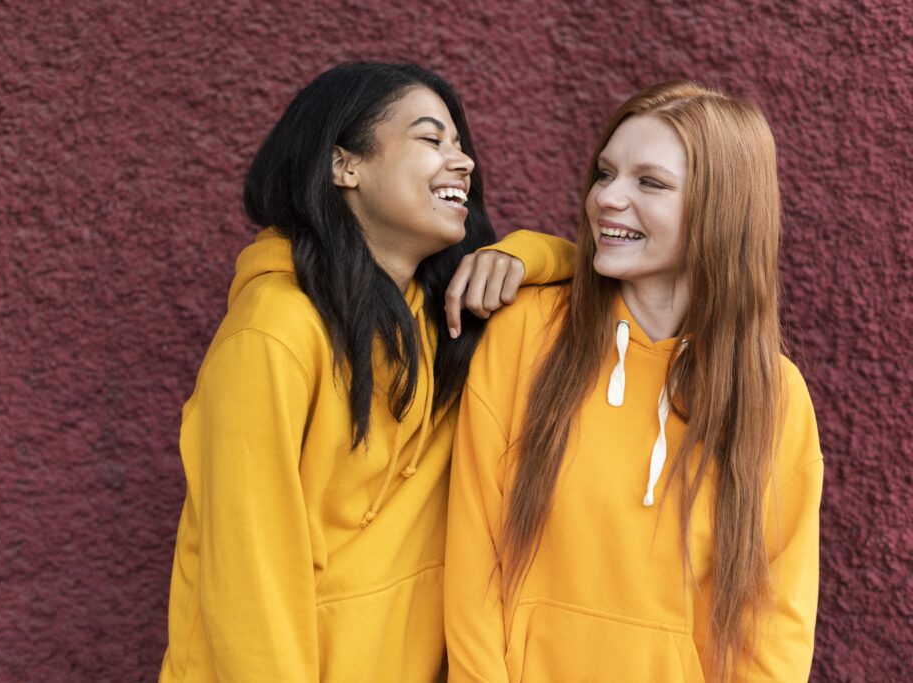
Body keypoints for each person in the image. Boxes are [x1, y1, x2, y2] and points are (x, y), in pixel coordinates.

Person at [158, 62, 576, 682]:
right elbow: (250, 575)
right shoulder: (273, 331)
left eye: (462, 148)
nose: (462, 163)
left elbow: (600, 281)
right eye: (432, 140)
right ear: (344, 166)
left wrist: (524, 252)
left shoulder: (443, 318)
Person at [444, 81, 823, 682]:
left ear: (721, 208)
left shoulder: (772, 396)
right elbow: (471, 560)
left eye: (649, 182)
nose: (608, 199)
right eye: (605, 173)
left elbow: (774, 627)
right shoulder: (528, 335)